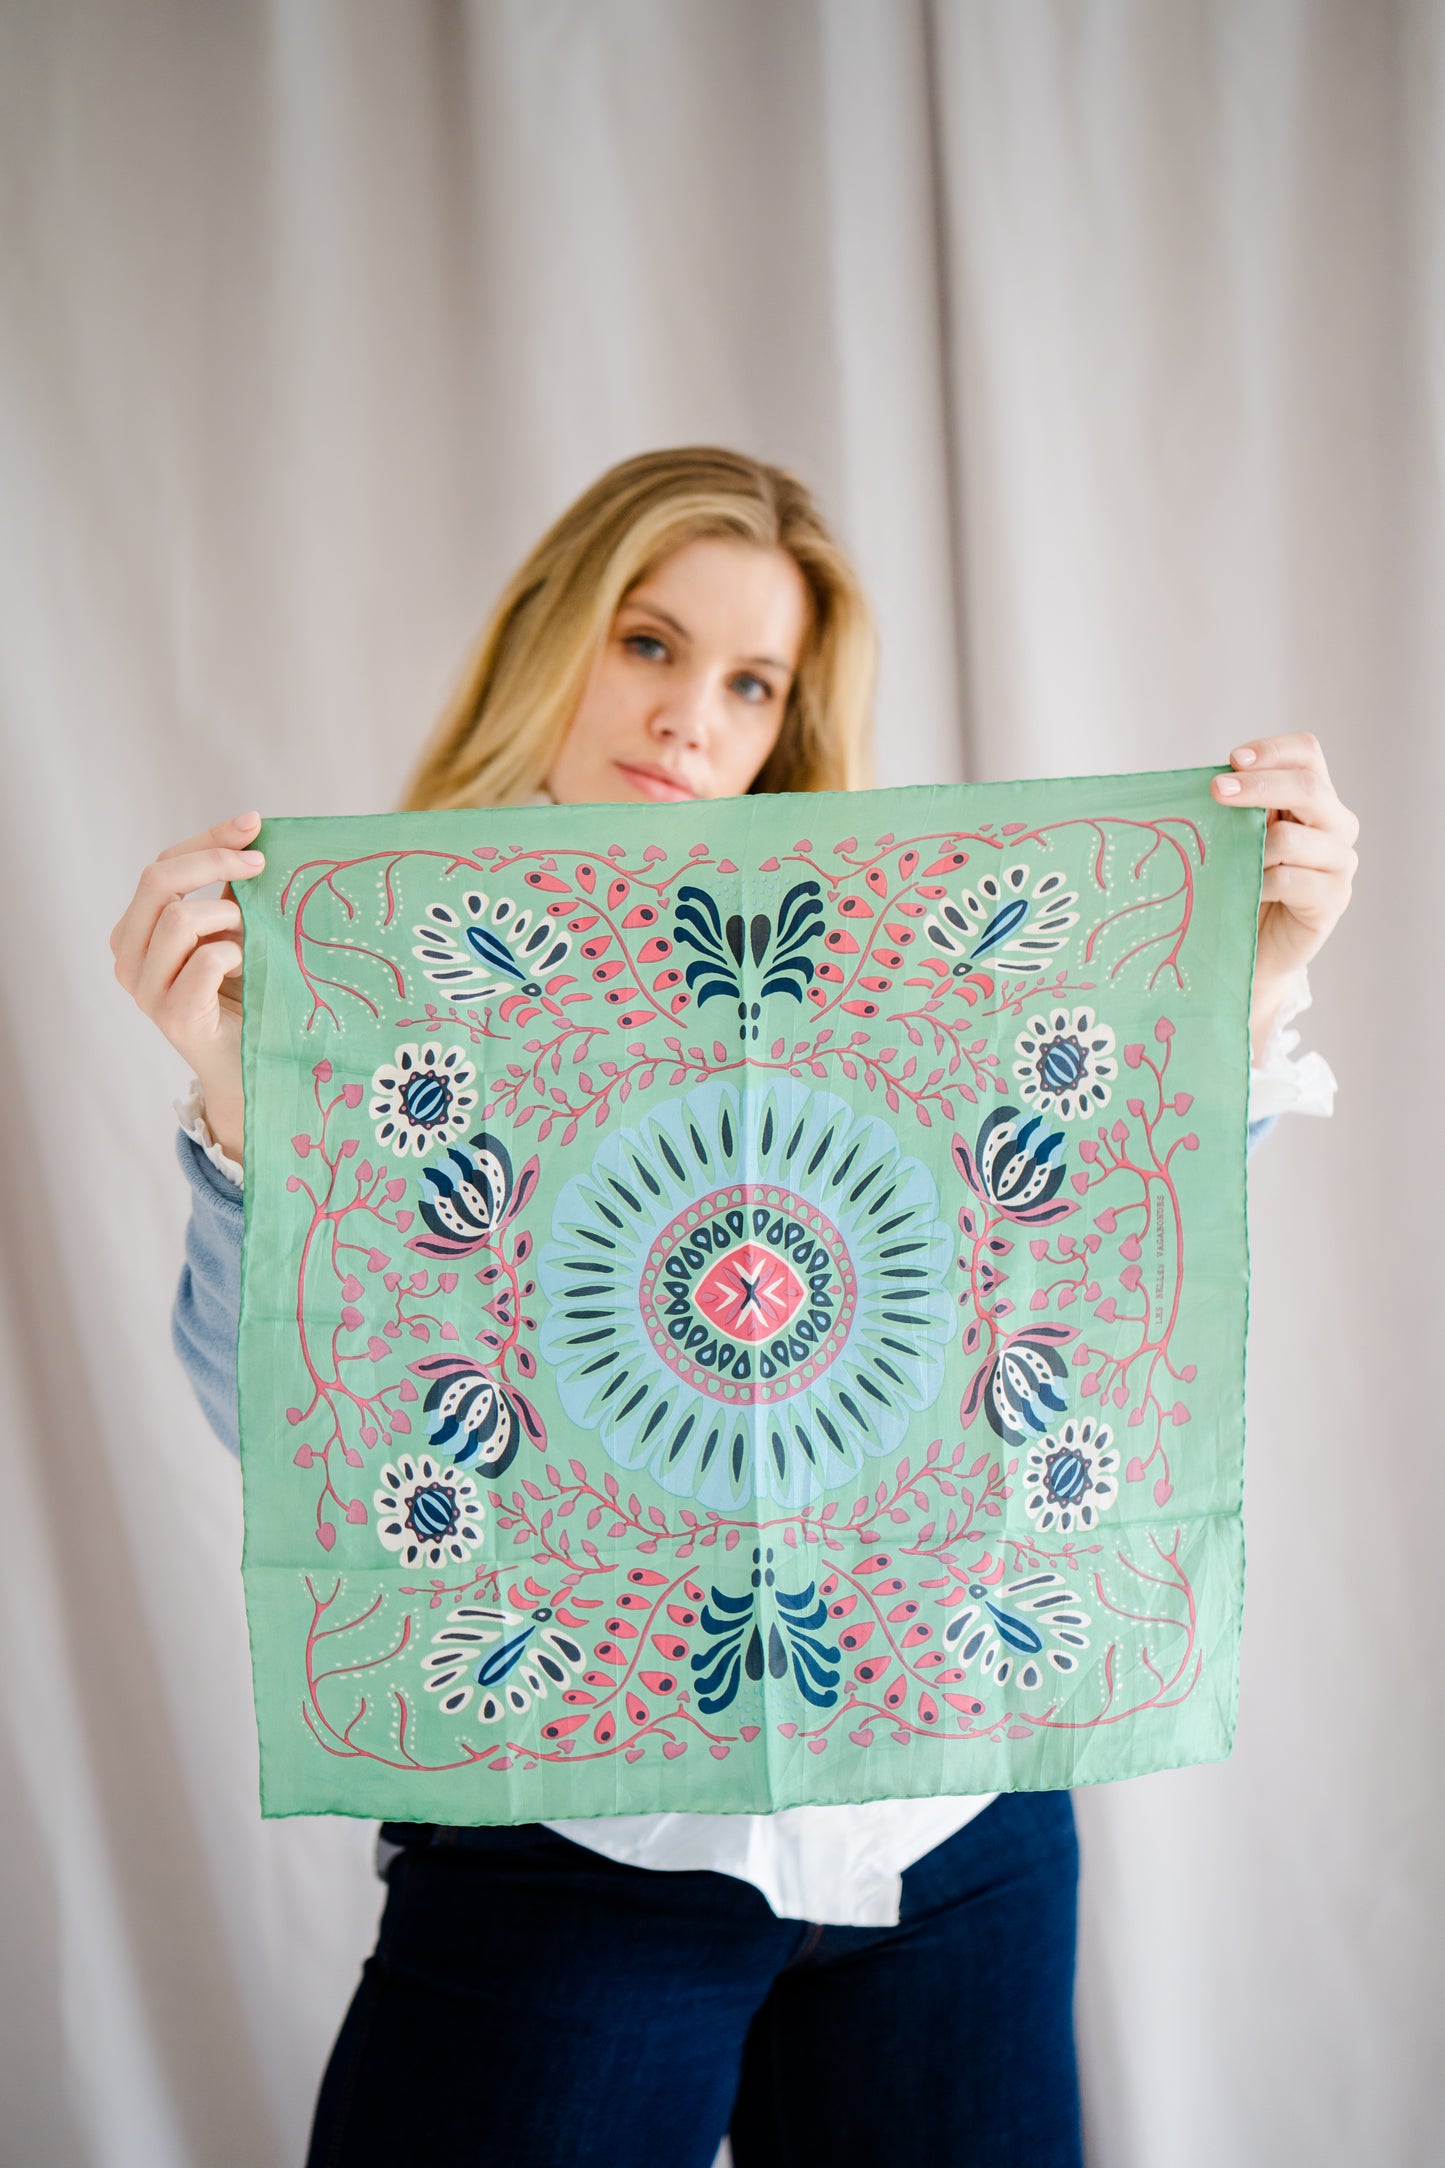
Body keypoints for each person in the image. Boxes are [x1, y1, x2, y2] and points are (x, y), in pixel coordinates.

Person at [110, 448, 1358, 2168]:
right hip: (575, 1843)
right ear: (551, 639)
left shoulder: (899, 961)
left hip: (957, 1826)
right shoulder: (389, 983)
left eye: (752, 681)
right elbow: (286, 1425)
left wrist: (1251, 989)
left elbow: (1081, 1270)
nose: (690, 717)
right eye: (649, 642)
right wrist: (244, 1114)